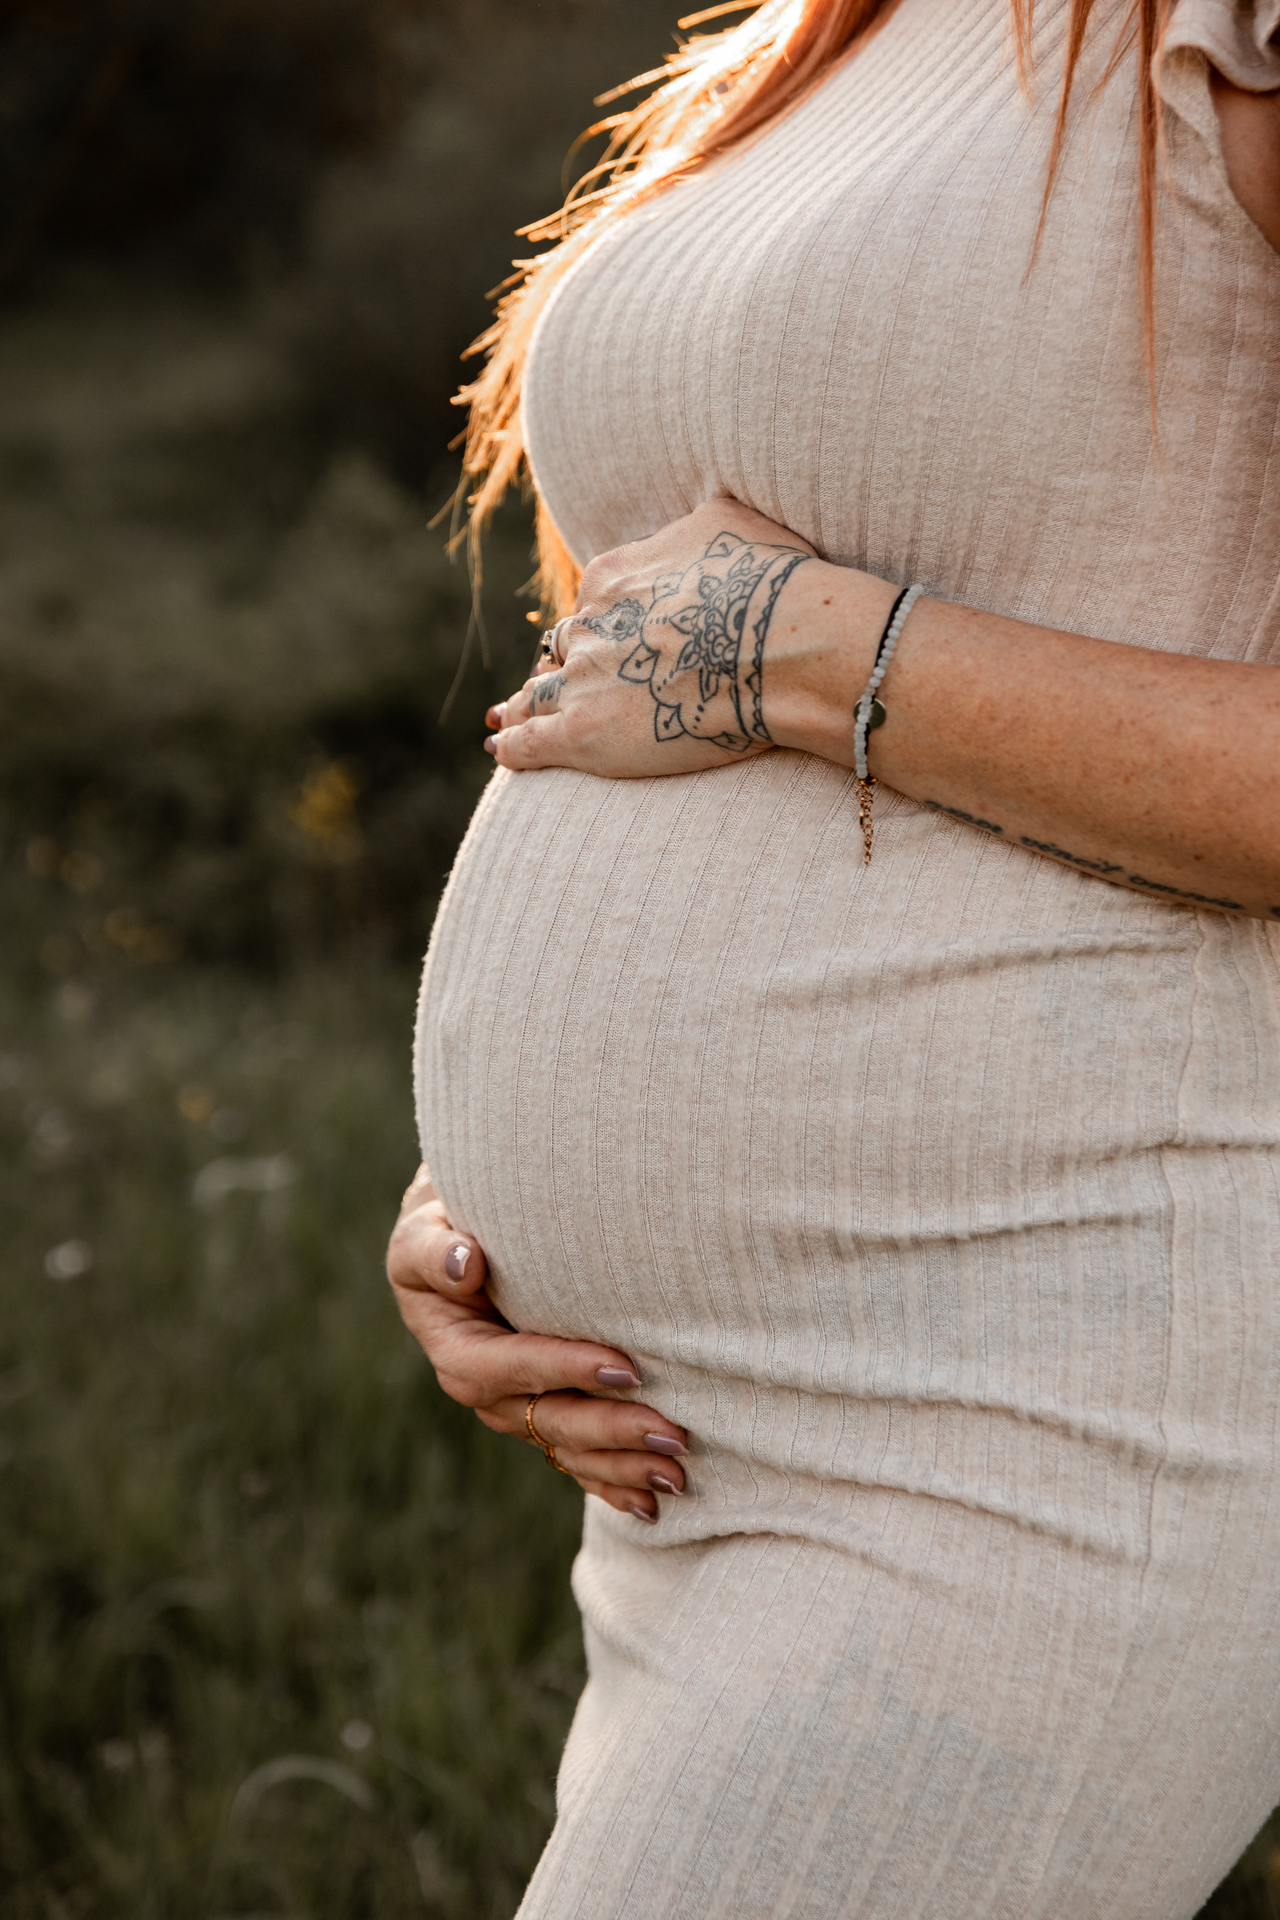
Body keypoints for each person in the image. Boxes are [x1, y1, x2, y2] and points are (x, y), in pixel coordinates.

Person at [386, 0, 1280, 1913]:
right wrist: (494, 1186)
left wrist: (810, 647)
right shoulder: (830, 31)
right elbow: (628, 653)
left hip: (1043, 1406)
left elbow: (735, 634)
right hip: (687, 1466)